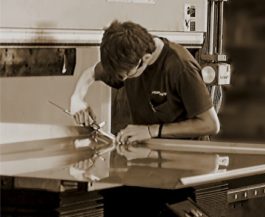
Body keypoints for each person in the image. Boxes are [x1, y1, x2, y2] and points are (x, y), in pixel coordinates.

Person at [70, 20, 220, 147]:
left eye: (125, 76)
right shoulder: (127, 54)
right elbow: (90, 73)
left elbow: (210, 124)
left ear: (146, 59)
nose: (122, 80)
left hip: (186, 157)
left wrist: (151, 131)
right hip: (147, 154)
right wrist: (77, 98)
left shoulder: (180, 67)